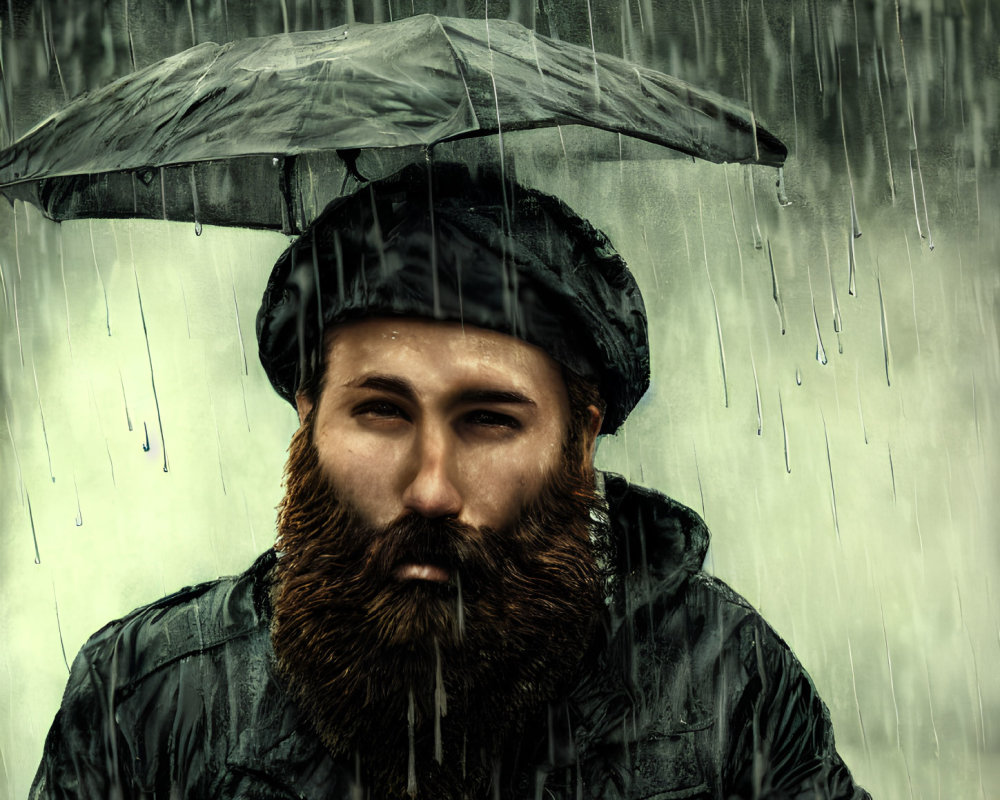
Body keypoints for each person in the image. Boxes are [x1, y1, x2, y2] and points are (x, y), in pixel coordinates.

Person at [30, 163, 870, 799]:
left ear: (580, 437)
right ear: (307, 413)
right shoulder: (144, 700)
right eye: (382, 412)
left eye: (489, 420)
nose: (431, 487)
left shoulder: (725, 689)